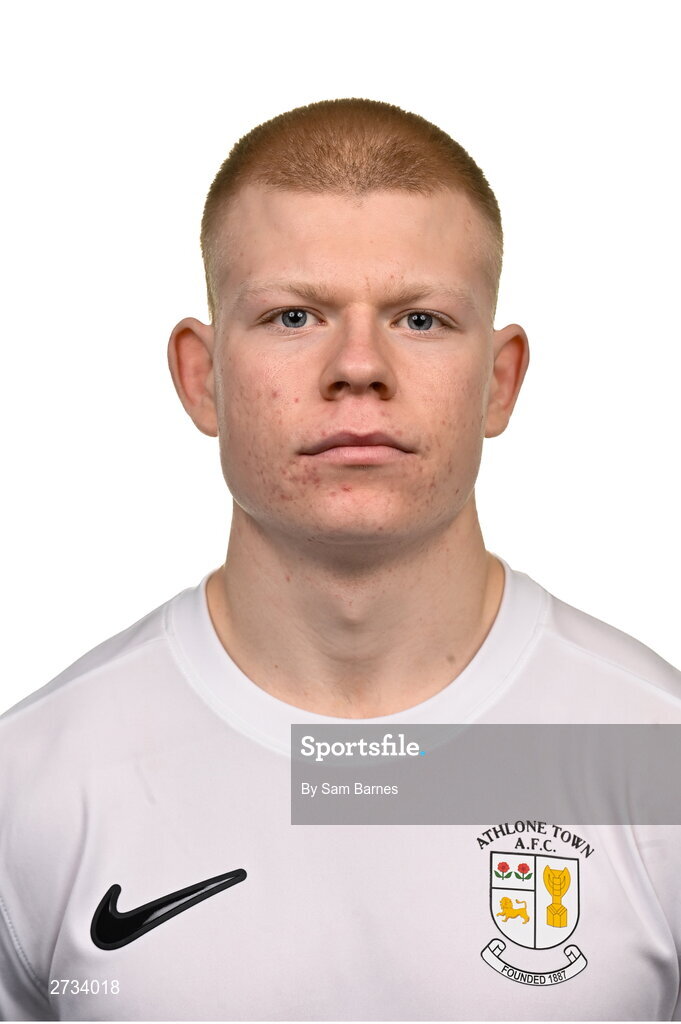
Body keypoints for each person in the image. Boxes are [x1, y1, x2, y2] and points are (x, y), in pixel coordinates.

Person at [0, 97, 679, 1023]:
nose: (358, 365)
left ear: (500, 378)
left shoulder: (654, 758)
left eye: (421, 319)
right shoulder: (34, 783)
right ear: (202, 378)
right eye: (291, 315)